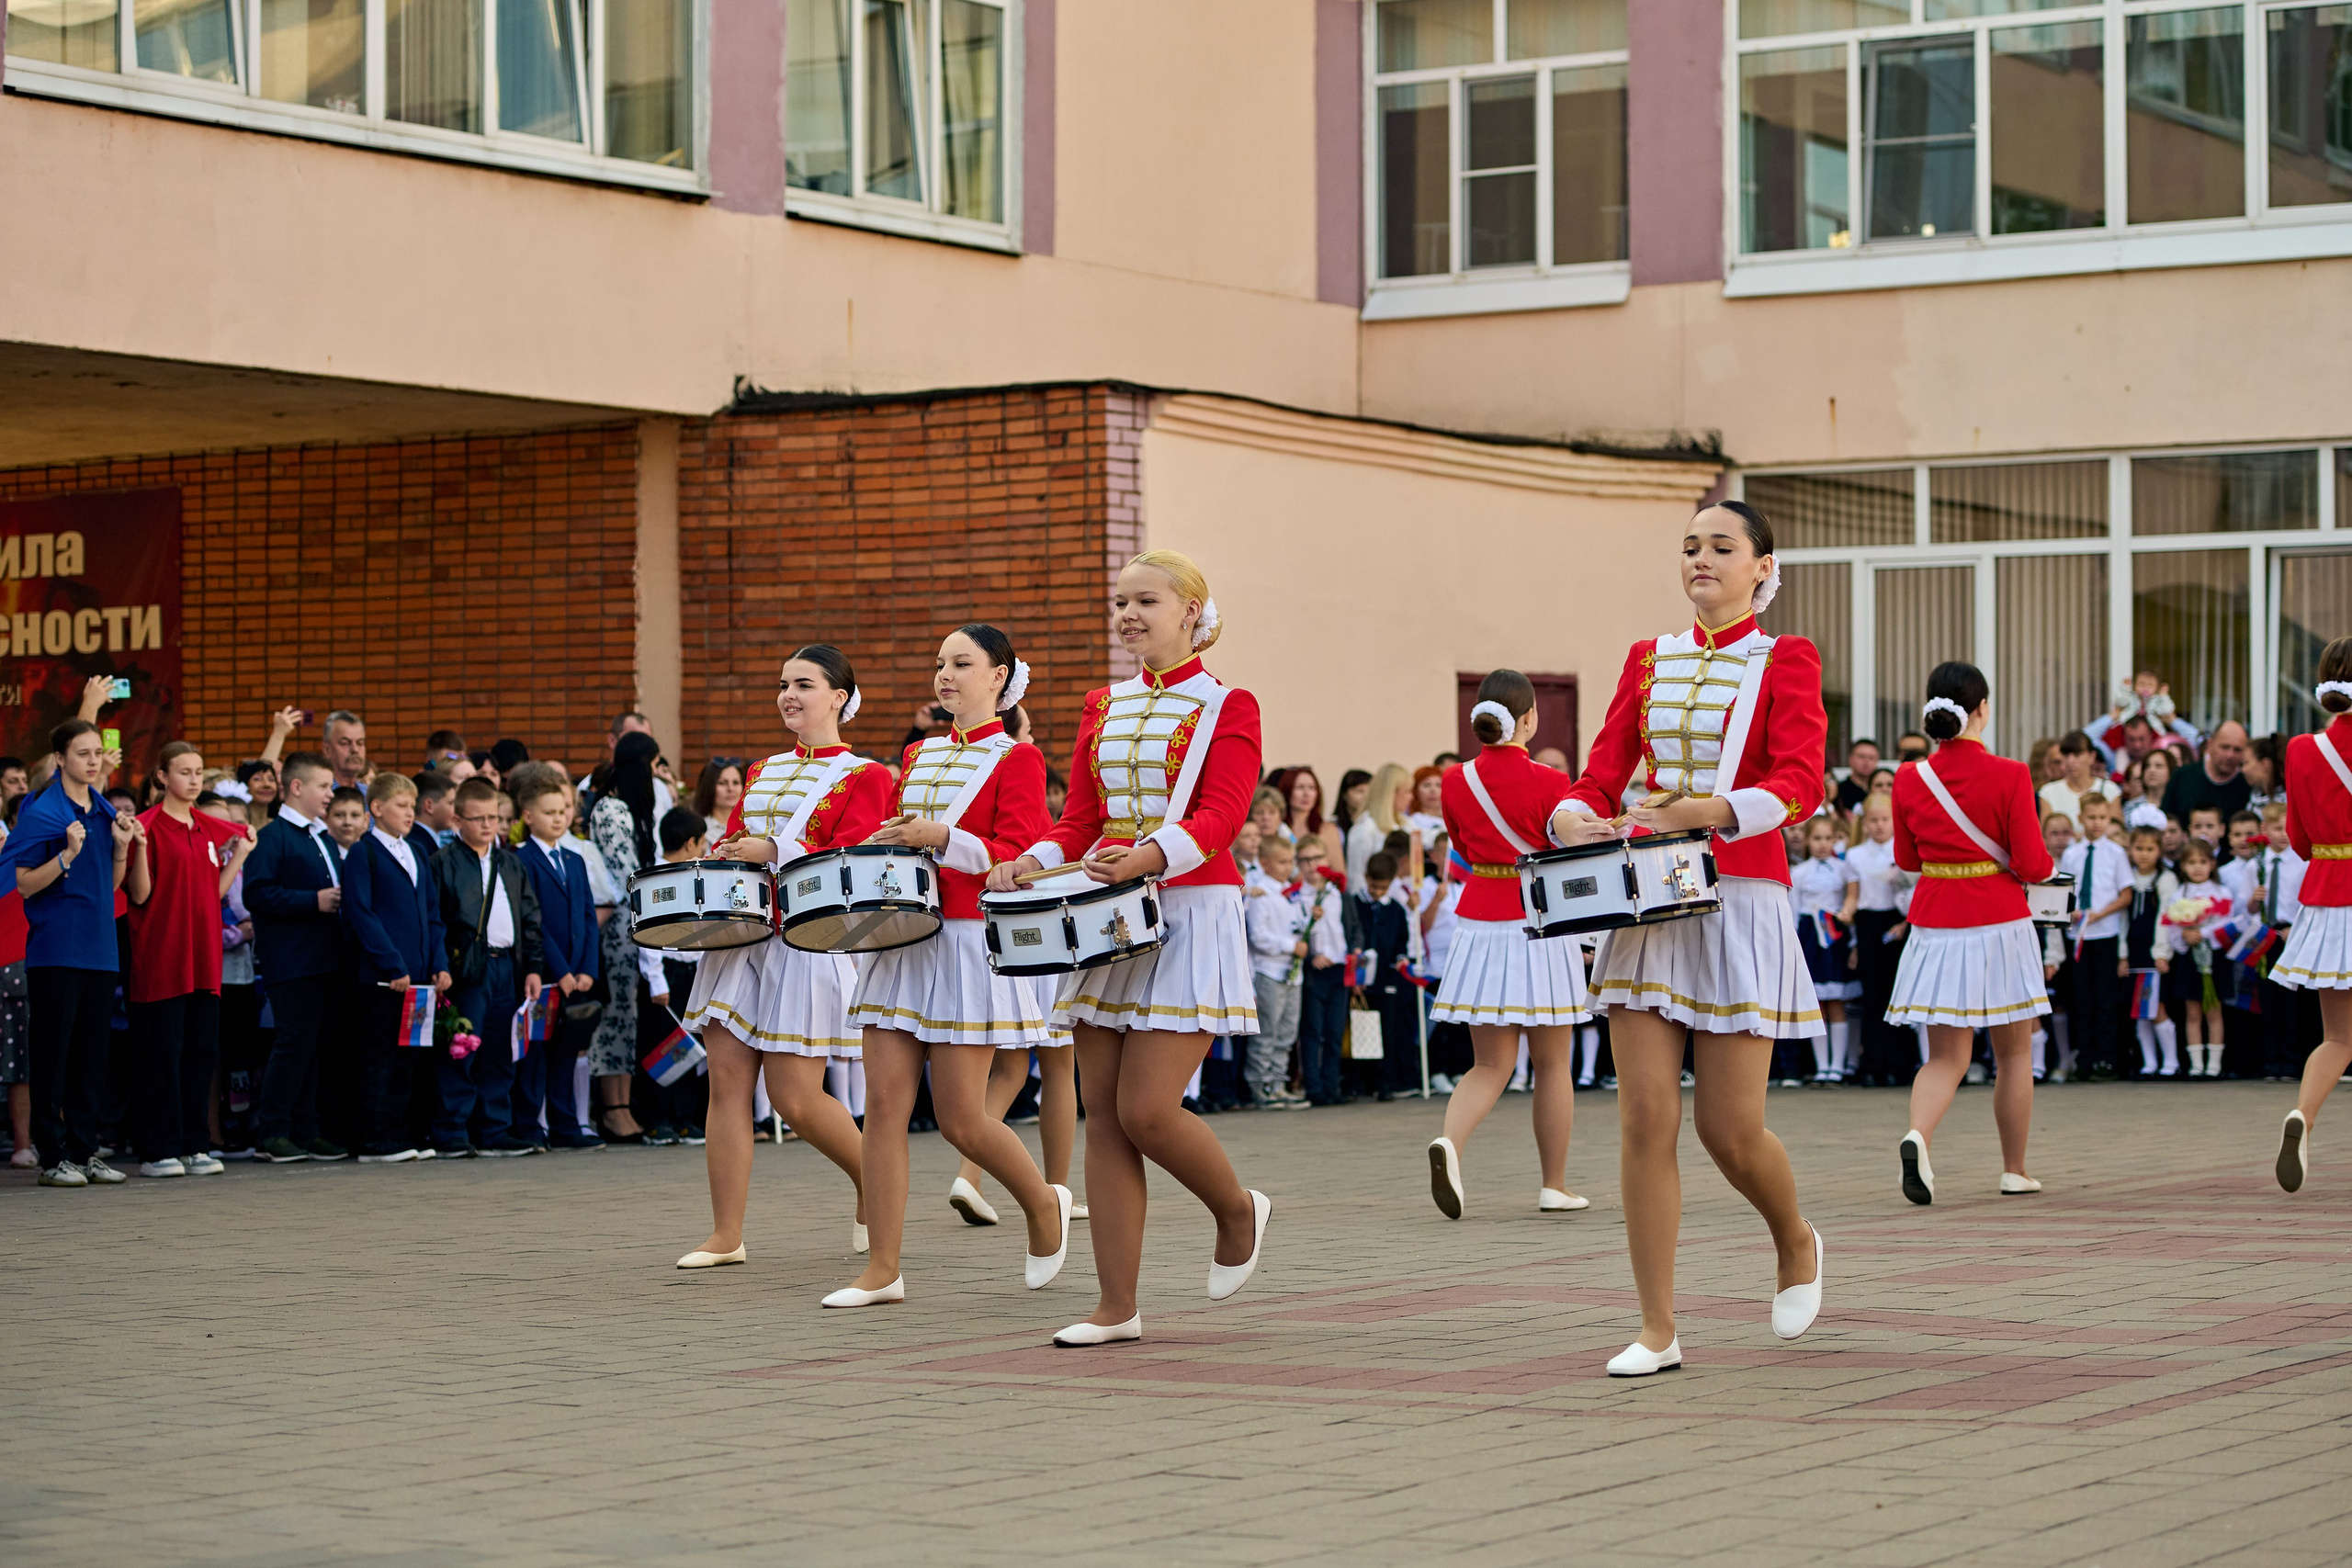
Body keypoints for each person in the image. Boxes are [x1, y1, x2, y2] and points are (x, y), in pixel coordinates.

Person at [1551, 500, 1826, 1376]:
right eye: (1689, 547)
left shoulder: (1786, 658)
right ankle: (1658, 1325)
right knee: (1643, 1115)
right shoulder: (1649, 657)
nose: (1701, 558)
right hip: (1650, 895)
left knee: (1730, 1129)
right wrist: (1572, 813)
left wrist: (1717, 809)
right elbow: (1603, 770)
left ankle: (1795, 1238)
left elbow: (1802, 781)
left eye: (1722, 546)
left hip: (1741, 893)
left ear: (1762, 566)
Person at [988, 550, 1268, 1348]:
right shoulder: (1100, 704)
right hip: (1105, 911)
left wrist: (1149, 853)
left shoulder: (1228, 704)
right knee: (1105, 1115)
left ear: (1191, 611)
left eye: (1146, 600)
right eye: (1120, 602)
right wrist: (1031, 862)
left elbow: (1222, 814)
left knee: (1148, 1109)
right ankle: (1117, 1305)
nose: (1128, 614)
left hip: (1190, 907)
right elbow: (1077, 819)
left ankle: (1237, 1208)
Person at [833, 626, 1069, 1307]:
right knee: (882, 1107)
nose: (946, 674)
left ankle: (1042, 1204)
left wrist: (941, 837)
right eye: (940, 663)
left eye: (962, 663)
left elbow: (1017, 853)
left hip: (966, 943)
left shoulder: (1018, 759)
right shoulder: (920, 752)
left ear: (999, 676)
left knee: (962, 1119)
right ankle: (883, 1267)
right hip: (904, 939)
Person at [678, 645, 892, 1269]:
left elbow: (857, 856)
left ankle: (871, 1185)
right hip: (739, 937)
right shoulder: (765, 767)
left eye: (804, 683)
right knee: (726, 1083)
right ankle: (726, 1233)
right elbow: (732, 836)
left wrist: (773, 846)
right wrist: (721, 855)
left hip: (805, 940)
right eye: (782, 684)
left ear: (840, 697)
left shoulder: (868, 774)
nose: (789, 694)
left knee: (795, 1096)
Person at [1883, 662, 2056, 1204]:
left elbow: (1906, 857)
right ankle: (2014, 1169)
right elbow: (2030, 863)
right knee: (2015, 1054)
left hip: (1936, 920)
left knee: (1945, 1057)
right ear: (1982, 709)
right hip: (2000, 919)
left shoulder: (1910, 777)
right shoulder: (2011, 774)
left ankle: (1919, 1135)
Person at [1424, 669, 1588, 1220]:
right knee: (1553, 1063)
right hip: (1537, 917)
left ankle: (1451, 1141)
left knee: (1490, 1064)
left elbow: (1464, 848)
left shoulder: (1454, 780)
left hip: (1477, 915)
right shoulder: (1550, 782)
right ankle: (1554, 1184)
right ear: (1528, 719)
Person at [8, 720, 143, 1186]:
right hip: (55, 948)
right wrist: (65, 855)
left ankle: (86, 1151)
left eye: (95, 753)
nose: (92, 760)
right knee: (54, 1053)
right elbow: (24, 884)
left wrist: (122, 850)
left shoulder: (104, 813)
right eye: (81, 753)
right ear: (61, 760)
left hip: (99, 948)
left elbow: (105, 890)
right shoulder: (43, 811)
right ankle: (52, 1157)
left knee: (92, 1055)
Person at [124, 741, 250, 1178]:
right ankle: (159, 1149)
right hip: (161, 957)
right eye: (184, 772)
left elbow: (212, 893)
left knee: (200, 1052)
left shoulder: (208, 828)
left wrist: (242, 856)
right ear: (161, 777)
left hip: (203, 959)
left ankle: (196, 1144)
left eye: (199, 772)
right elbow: (139, 895)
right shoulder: (146, 826)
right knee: (162, 1054)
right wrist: (138, 847)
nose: (194, 780)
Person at [2269, 640, 2352, 1190]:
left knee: (2339, 1037)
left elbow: (2298, 839)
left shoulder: (2302, 748)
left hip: (2327, 898)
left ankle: (2304, 1114)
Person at [241, 752, 348, 1165]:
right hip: (292, 961)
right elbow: (258, 894)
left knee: (315, 1046)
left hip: (325, 958)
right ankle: (273, 1131)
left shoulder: (320, 837)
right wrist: (313, 901)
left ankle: (307, 1128)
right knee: (292, 1044)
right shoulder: (273, 837)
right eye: (323, 786)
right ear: (298, 787)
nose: (329, 794)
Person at [338, 774, 451, 1164]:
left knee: (410, 1057)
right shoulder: (363, 853)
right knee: (380, 1057)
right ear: (376, 809)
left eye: (412, 805)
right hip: (385, 979)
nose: (410, 812)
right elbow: (361, 913)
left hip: (419, 980)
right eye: (401, 805)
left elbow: (432, 915)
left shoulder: (417, 852)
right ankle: (373, 1137)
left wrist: (439, 963)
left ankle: (401, 1131)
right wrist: (391, 962)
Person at [433, 775, 547, 1158]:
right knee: (463, 1047)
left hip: (507, 967)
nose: (486, 825)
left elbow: (530, 919)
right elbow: (437, 919)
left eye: (492, 817)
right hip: (467, 968)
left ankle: (494, 1129)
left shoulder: (510, 865)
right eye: (477, 817)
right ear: (456, 820)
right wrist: (440, 964)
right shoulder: (443, 863)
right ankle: (451, 1130)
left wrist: (532, 968)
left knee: (500, 1048)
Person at [510, 774, 600, 1151]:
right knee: (534, 1052)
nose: (559, 818)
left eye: (563, 811)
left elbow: (588, 918)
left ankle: (566, 1125)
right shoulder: (520, 859)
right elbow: (534, 922)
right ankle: (529, 1125)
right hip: (544, 975)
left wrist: (587, 969)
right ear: (528, 816)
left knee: (567, 1050)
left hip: (576, 974)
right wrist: (560, 970)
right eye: (549, 813)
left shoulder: (575, 860)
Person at [587, 734, 662, 1142]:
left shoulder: (627, 809)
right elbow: (627, 874)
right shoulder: (612, 809)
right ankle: (613, 1108)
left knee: (628, 1016)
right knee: (615, 1015)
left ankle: (625, 1104)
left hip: (632, 926)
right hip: (618, 926)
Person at [1845, 792, 1914, 1087]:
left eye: (1885, 819)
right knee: (1872, 993)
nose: (1879, 825)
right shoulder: (1855, 855)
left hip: (1897, 921)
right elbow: (1854, 896)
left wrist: (1904, 923)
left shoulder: (1903, 852)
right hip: (1869, 923)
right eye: (1873, 820)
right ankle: (1872, 1062)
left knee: (1896, 992)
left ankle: (1899, 1062)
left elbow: (1913, 891)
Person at [1242, 834, 1306, 1110]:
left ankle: (1279, 1082)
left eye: (1291, 861)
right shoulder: (1262, 894)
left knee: (1287, 1032)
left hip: (1293, 974)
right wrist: (1291, 945)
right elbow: (1258, 936)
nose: (1288, 866)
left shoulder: (1290, 892)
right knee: (1267, 1031)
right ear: (1265, 863)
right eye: (1282, 862)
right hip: (1270, 972)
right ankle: (1261, 1085)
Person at [1292, 836, 1348, 1106]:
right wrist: (1312, 954)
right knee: (1312, 1030)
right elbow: (1294, 929)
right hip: (1314, 968)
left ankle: (1331, 1085)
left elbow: (1348, 926)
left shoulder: (1335, 892)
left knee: (1335, 1030)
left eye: (1317, 859)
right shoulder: (1297, 895)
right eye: (1306, 860)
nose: (1313, 865)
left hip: (1338, 966)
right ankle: (1313, 1087)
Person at [2167, 838, 2231, 1078]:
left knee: (2214, 1009)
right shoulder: (2178, 894)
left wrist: (2202, 933)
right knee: (2192, 1011)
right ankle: (2196, 1064)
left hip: (2213, 957)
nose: (2197, 867)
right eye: (2191, 862)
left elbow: (2227, 923)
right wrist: (2184, 935)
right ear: (2183, 866)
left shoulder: (2221, 892)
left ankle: (2214, 1064)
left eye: (2202, 862)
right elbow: (2170, 925)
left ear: (2212, 864)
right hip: (2189, 958)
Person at [2165, 720, 2254, 826]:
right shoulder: (2183, 776)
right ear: (2210, 744)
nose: (2230, 755)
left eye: (2237, 750)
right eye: (2225, 747)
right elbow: (2166, 819)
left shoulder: (2247, 785)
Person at [2039, 731, 2120, 829]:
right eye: (2066, 755)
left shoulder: (2110, 790)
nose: (2070, 761)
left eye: (2077, 755)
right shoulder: (2048, 792)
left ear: (2092, 757)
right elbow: (2046, 834)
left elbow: (2116, 833)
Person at [693, 759, 746, 845]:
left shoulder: (748, 824)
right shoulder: (697, 826)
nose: (731, 789)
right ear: (709, 786)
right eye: (722, 783)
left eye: (736, 782)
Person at [411, 771, 458, 854]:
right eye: (450, 803)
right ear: (429, 806)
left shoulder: (424, 841)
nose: (456, 809)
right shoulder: (418, 847)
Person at [322, 710, 368, 790]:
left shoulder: (370, 795)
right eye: (345, 743)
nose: (355, 749)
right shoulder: (319, 796)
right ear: (327, 750)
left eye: (360, 743)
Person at [1833, 739, 1882, 815]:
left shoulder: (1881, 790)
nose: (1866, 761)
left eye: (1871, 758)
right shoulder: (1838, 792)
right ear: (1850, 759)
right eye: (1861, 757)